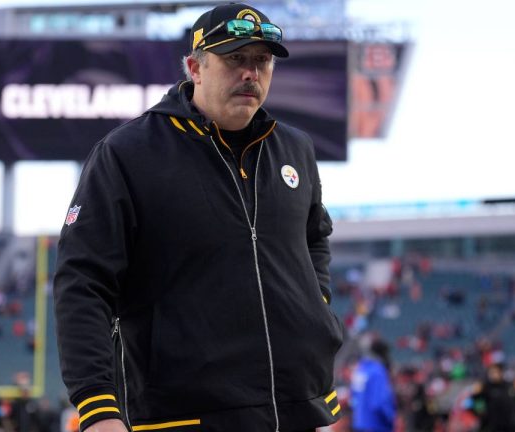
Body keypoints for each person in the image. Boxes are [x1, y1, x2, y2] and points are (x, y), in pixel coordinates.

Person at [53, 3, 344, 432]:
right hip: (182, 416)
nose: (251, 73)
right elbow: (82, 283)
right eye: (235, 58)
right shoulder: (128, 153)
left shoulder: (295, 148)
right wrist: (97, 408)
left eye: (262, 60)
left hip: (297, 409)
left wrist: (314, 307)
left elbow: (314, 239)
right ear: (195, 68)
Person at [350, 336, 396, 432]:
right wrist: (391, 419)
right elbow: (379, 403)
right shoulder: (377, 370)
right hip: (377, 425)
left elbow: (353, 400)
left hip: (359, 424)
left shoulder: (360, 369)